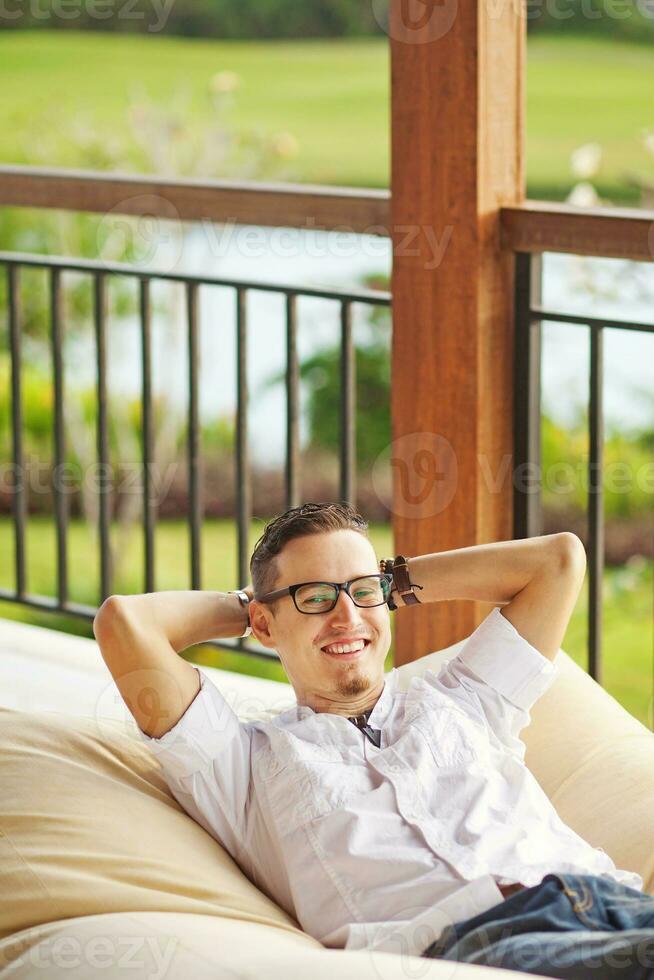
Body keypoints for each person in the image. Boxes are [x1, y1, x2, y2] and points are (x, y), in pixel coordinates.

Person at [93, 501, 654, 978]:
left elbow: (558, 561)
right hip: (487, 953)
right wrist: (251, 606)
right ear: (265, 626)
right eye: (315, 598)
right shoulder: (242, 764)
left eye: (363, 593)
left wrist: (389, 582)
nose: (346, 617)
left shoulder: (465, 698)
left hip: (615, 904)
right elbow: (125, 623)